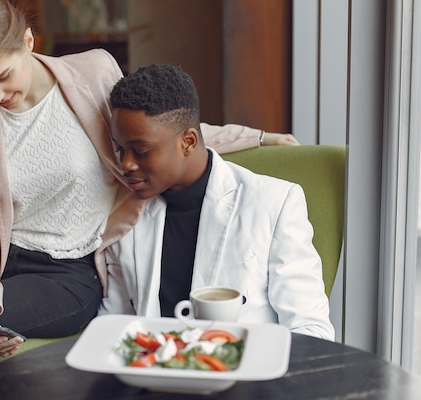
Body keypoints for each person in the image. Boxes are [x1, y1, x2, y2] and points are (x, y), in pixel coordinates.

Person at [0, 0, 299, 400]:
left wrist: (254, 136)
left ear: (29, 42)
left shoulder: (91, 72)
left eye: (3, 77)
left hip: (66, 278)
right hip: (0, 267)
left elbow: (162, 129)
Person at [98, 63, 335, 341]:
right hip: (150, 373)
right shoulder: (122, 215)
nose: (126, 164)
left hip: (248, 373)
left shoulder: (274, 203)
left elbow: (310, 329)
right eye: (119, 149)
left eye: (141, 151)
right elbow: (112, 322)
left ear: (188, 141)